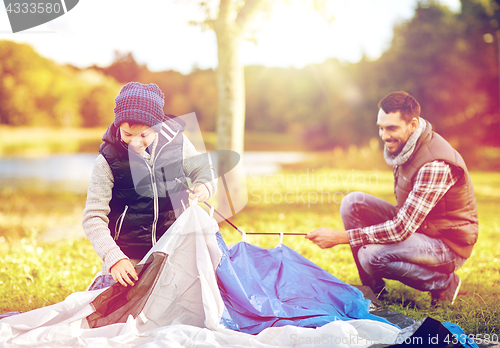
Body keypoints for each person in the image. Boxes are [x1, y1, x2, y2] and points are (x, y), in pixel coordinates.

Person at [306, 91, 478, 306]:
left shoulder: (435, 163)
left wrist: (340, 237)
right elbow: (405, 217)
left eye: (391, 128)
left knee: (371, 256)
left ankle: (443, 281)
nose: (384, 135)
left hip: (448, 243)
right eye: (381, 127)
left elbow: (401, 229)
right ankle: (373, 292)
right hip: (422, 226)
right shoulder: (406, 146)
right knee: (353, 203)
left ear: (413, 125)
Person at [82, 82, 217, 289]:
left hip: (172, 252)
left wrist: (203, 186)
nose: (135, 142)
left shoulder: (178, 145)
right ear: (119, 126)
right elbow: (93, 217)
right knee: (112, 314)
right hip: (128, 259)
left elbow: (205, 170)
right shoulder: (107, 160)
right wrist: (114, 257)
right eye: (127, 134)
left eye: (143, 135)